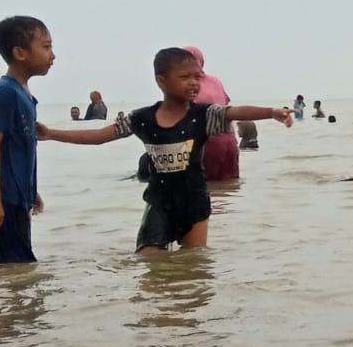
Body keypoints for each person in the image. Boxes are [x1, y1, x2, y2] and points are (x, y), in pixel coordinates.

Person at [38, 47, 293, 252]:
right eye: (185, 78)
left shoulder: (204, 115)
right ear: (161, 80)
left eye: (197, 77)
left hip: (194, 204)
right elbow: (100, 136)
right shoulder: (142, 118)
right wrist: (51, 134)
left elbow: (234, 111)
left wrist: (271, 112)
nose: (194, 83)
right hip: (159, 204)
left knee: (192, 269)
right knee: (150, 267)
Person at [0, 16, 51, 264]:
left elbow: (20, 151)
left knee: (14, 265)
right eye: (46, 47)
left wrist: (31, 191)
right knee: (14, 266)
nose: (52, 55)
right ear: (20, 53)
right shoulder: (7, 92)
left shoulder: (24, 94)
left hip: (17, 196)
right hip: (4, 197)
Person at [185, 47, 239, 182]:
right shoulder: (216, 81)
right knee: (229, 188)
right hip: (230, 142)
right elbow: (225, 108)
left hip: (207, 144)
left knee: (208, 190)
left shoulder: (188, 85)